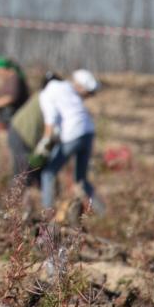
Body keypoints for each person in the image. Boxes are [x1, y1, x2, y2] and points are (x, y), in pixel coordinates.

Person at [35, 69, 103, 214]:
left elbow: (50, 121)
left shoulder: (46, 94)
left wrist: (44, 144)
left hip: (73, 133)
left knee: (48, 173)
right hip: (88, 132)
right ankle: (104, 213)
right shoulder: (66, 86)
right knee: (81, 180)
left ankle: (47, 214)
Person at [0, 56, 29, 126]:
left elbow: (12, 97)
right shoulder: (10, 79)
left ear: (4, 69)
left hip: (13, 113)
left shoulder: (15, 79)